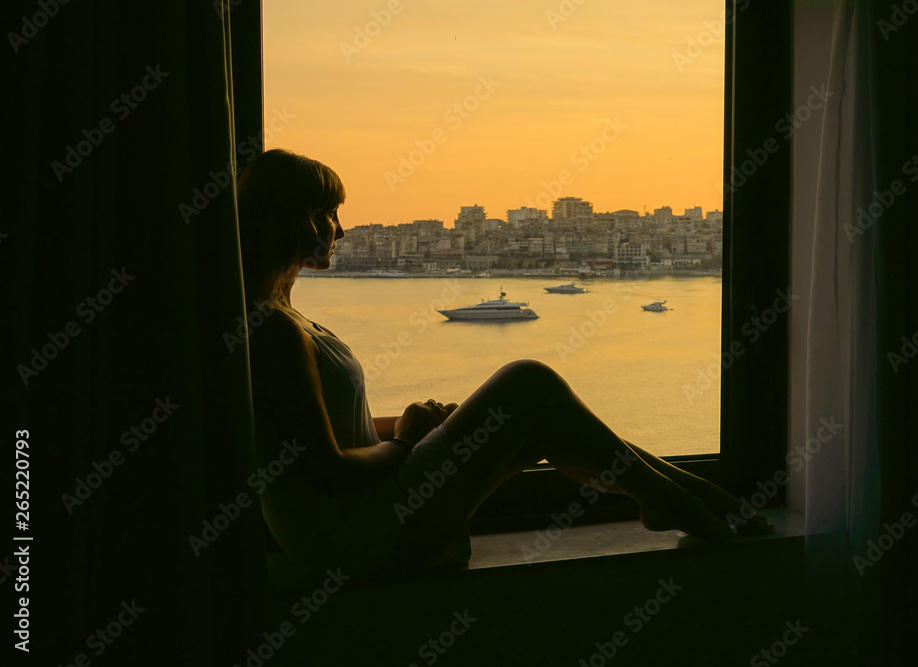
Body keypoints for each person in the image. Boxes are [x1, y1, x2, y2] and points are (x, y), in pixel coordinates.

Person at [237, 149, 771, 577]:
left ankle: (682, 498)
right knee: (529, 383)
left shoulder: (284, 317)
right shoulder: (273, 329)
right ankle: (684, 500)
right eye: (331, 213)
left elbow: (320, 434)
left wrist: (419, 427)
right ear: (298, 219)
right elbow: (325, 469)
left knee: (538, 415)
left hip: (359, 519)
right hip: (356, 536)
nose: (341, 229)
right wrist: (405, 441)